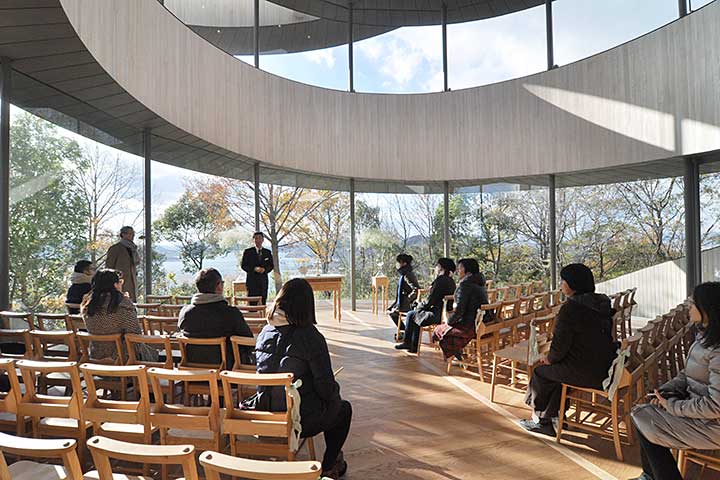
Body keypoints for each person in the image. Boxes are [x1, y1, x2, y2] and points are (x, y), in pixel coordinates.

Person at [252, 278, 351, 479]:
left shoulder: (265, 331)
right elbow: (325, 388)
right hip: (296, 418)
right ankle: (330, 466)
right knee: (343, 409)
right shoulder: (311, 337)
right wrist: (334, 392)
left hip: (264, 410)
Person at [629, 282, 720, 480]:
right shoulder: (705, 336)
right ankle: (650, 475)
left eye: (693, 304)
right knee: (642, 413)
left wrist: (672, 406)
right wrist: (666, 391)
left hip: (712, 425)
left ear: (707, 310)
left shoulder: (717, 349)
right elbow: (688, 374)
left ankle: (655, 476)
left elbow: (716, 406)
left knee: (643, 418)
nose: (689, 307)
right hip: (700, 413)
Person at [519, 263, 617, 436]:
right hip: (605, 366)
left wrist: (549, 359)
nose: (561, 284)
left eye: (563, 280)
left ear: (573, 284)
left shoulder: (571, 309)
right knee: (555, 374)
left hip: (586, 371)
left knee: (540, 372)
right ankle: (556, 417)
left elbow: (559, 346)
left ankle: (541, 420)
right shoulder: (601, 303)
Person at [178, 268, 254, 367]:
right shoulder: (231, 313)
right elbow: (248, 342)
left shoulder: (185, 313)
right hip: (226, 370)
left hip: (193, 369)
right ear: (219, 286)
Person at [81, 269, 156, 362]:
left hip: (95, 357)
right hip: (122, 359)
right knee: (151, 352)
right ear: (115, 285)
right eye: (120, 282)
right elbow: (135, 335)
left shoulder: (87, 307)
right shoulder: (123, 307)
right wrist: (127, 302)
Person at [395, 257, 456, 353]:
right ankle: (412, 346)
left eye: (437, 266)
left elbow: (430, 301)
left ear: (442, 268)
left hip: (437, 314)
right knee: (417, 314)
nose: (436, 268)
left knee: (411, 314)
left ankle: (408, 343)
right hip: (444, 313)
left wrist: (420, 305)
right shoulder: (450, 281)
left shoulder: (440, 281)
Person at [432, 258, 487, 360]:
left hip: (471, 325)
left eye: (460, 268)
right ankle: (457, 353)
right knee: (445, 328)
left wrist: (449, 322)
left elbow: (459, 311)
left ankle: (455, 354)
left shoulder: (465, 285)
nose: (457, 271)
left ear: (468, 271)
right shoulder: (480, 283)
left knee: (439, 330)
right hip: (483, 322)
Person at [387, 253, 420, 334]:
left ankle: (405, 332)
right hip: (404, 302)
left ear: (404, 263)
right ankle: (405, 332)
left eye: (398, 262)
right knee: (391, 311)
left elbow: (416, 289)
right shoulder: (404, 273)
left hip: (408, 304)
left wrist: (408, 299)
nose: (397, 264)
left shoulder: (407, 275)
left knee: (393, 313)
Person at [105, 226, 140, 302]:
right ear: (123, 234)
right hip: (119, 281)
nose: (132, 236)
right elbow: (109, 266)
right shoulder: (115, 248)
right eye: (130, 234)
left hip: (132, 280)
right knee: (121, 301)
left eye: (133, 234)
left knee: (131, 301)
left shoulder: (133, 248)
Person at [241, 232, 274, 305]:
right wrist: (254, 269)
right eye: (256, 238)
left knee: (263, 303)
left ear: (263, 240)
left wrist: (264, 270)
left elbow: (271, 265)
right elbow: (243, 265)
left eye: (260, 238)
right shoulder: (248, 252)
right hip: (252, 282)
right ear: (253, 240)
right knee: (252, 304)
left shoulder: (267, 252)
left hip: (263, 282)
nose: (258, 240)